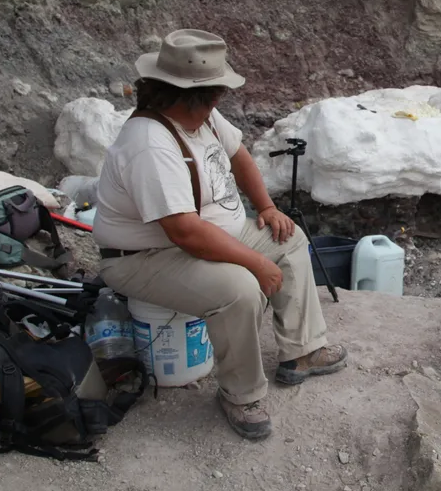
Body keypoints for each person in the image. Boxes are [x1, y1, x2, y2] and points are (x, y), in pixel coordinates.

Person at [92, 29, 347, 441]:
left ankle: (301, 352)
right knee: (240, 288)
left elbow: (239, 155)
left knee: (289, 237)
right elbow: (185, 233)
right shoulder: (150, 145)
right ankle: (241, 394)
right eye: (215, 96)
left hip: (210, 233)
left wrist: (266, 208)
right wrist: (254, 262)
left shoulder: (199, 114)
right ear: (191, 95)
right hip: (143, 258)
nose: (218, 103)